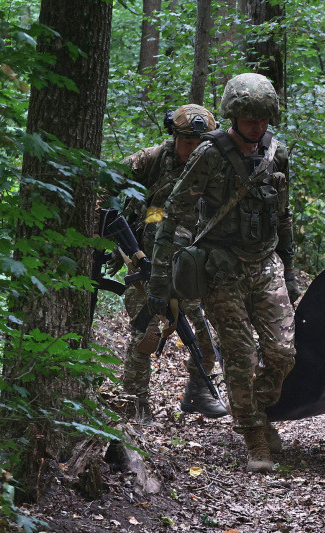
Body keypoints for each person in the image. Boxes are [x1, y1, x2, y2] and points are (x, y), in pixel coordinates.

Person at [148, 73, 300, 472]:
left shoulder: (277, 154)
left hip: (265, 264)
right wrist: (160, 278)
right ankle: (254, 437)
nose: (258, 126)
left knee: (282, 353)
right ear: (234, 116)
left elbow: (283, 216)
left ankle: (257, 410)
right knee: (240, 356)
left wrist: (290, 271)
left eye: (264, 119)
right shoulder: (210, 154)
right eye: (250, 119)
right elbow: (173, 213)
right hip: (221, 268)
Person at [118, 104, 228, 422]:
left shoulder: (216, 168)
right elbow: (105, 181)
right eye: (188, 143)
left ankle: (197, 393)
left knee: (204, 336)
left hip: (191, 269)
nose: (193, 150)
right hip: (146, 265)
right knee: (147, 334)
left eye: (200, 144)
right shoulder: (150, 160)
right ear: (175, 137)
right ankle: (135, 403)